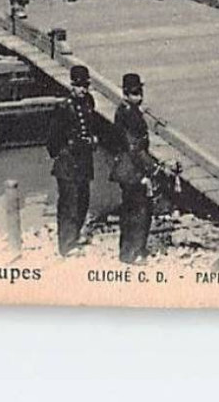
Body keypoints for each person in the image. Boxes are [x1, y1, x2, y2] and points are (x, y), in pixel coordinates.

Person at [47, 64, 98, 255]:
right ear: (72, 86)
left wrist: (93, 139)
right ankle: (66, 244)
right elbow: (53, 138)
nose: (82, 90)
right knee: (69, 202)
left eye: (85, 86)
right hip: (68, 162)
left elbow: (91, 127)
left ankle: (75, 236)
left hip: (84, 160)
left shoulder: (88, 102)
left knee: (83, 199)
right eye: (78, 86)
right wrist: (61, 154)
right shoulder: (64, 107)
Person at [109, 72, 154, 263]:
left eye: (140, 92)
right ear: (126, 94)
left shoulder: (127, 110)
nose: (139, 97)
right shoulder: (130, 115)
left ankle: (135, 249)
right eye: (135, 93)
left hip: (128, 166)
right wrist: (149, 170)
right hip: (132, 168)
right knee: (137, 210)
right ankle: (131, 252)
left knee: (134, 208)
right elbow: (134, 147)